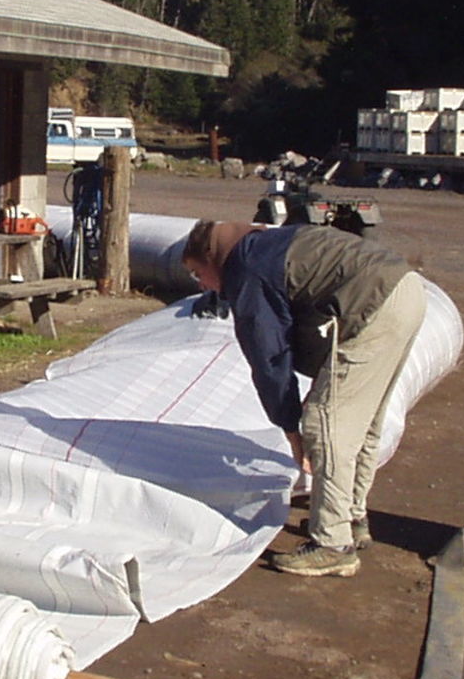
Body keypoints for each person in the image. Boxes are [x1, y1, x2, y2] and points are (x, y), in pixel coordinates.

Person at [182, 219, 426, 577]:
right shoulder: (267, 245)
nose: (202, 285)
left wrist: (291, 427)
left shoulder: (245, 268)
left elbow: (268, 356)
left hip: (372, 304)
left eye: (196, 273)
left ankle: (332, 544)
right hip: (405, 290)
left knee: (326, 425)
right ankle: (352, 516)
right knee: (363, 421)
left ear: (211, 256)